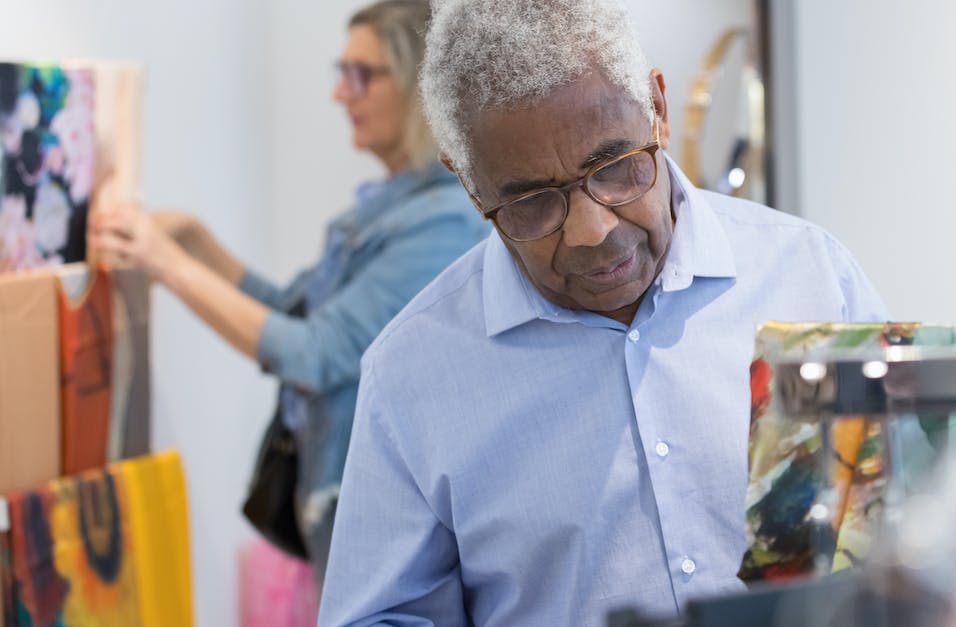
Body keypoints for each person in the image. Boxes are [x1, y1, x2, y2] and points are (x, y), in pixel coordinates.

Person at [319, 0, 889, 624]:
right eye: (533, 203)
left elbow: (914, 533)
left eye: (615, 167)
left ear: (659, 109)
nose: (592, 231)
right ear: (469, 181)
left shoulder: (810, 278)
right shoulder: (413, 377)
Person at [88, 0, 490, 580]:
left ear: (418, 86)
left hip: (377, 519)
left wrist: (166, 264)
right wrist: (193, 241)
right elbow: (290, 312)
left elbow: (314, 353)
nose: (340, 94)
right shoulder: (393, 205)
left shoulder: (444, 220)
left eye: (362, 74)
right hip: (336, 500)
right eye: (340, 71)